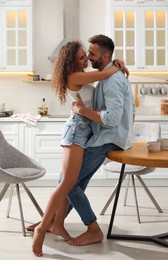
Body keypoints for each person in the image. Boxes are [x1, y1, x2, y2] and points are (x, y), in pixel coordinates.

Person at [31, 40, 129, 256]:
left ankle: (55, 223)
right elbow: (104, 74)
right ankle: (42, 228)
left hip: (85, 130)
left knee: (72, 183)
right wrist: (116, 63)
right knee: (67, 182)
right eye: (82, 57)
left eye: (87, 55)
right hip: (77, 130)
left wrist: (115, 63)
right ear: (71, 61)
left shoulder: (83, 75)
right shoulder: (75, 76)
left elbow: (96, 91)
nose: (86, 59)